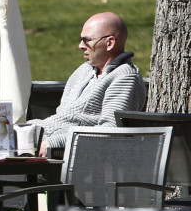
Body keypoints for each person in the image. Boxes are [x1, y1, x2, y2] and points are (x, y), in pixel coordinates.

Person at [27, 12, 147, 156]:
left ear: (110, 43)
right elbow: (62, 116)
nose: (80, 46)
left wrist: (54, 144)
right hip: (39, 138)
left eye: (86, 40)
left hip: (68, 156)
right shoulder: (84, 69)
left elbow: (111, 131)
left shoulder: (125, 77)